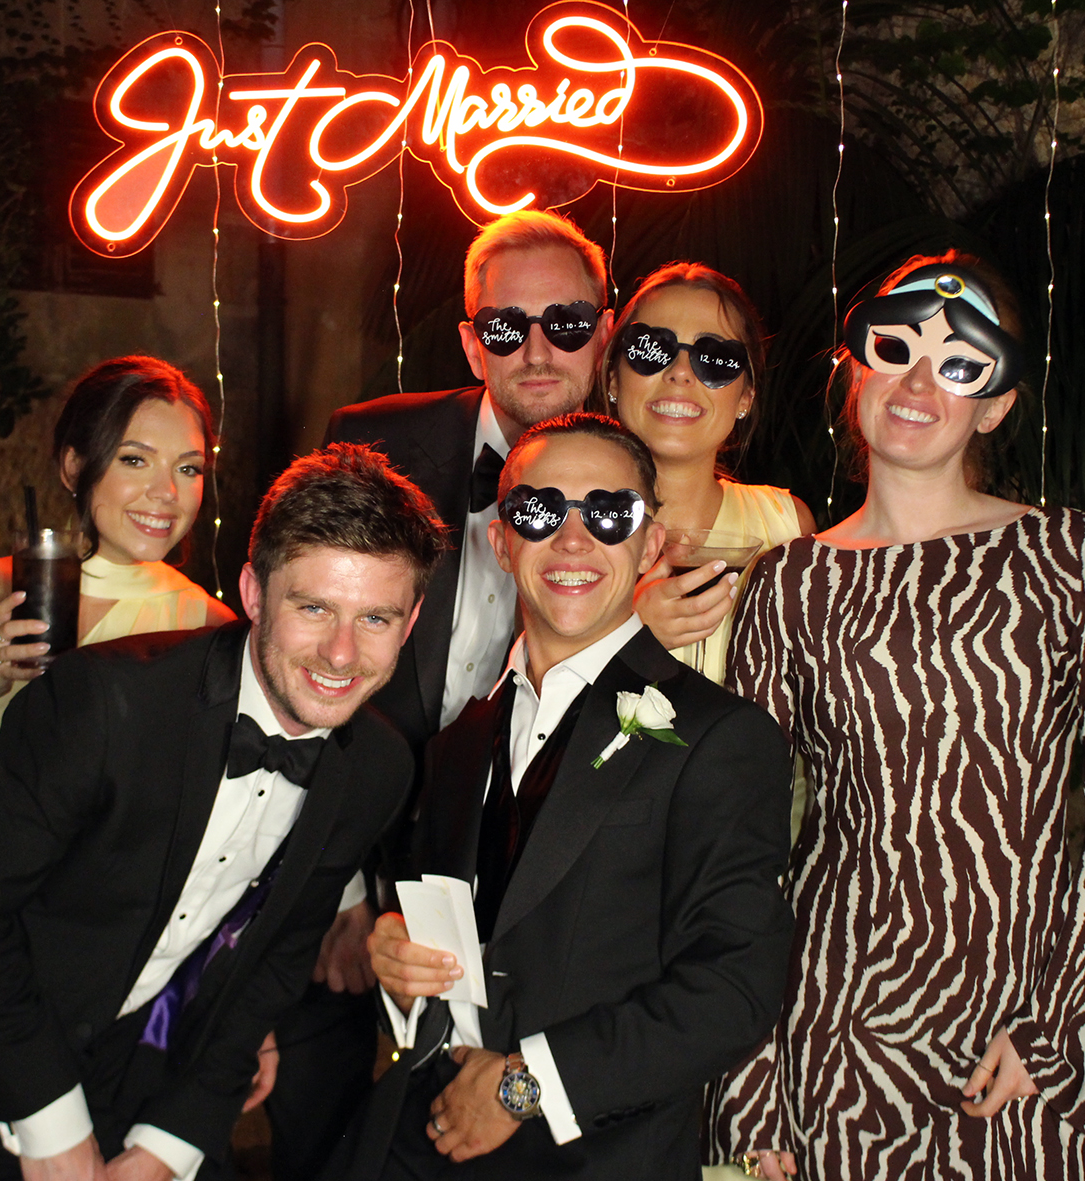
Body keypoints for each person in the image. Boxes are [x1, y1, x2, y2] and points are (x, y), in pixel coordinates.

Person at [0, 443, 447, 1181]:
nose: (341, 653)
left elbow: (273, 964)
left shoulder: (378, 767)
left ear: (411, 621)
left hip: (136, 1067)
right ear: (255, 593)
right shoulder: (103, 703)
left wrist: (171, 1139)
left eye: (376, 617)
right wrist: (53, 1125)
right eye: (313, 607)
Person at [707, 254, 1085, 1180]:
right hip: (833, 1022)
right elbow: (738, 845)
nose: (919, 384)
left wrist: (1065, 1019)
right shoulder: (791, 582)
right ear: (856, 370)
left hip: (1021, 1022)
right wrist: (752, 1082)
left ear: (995, 405)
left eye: (960, 365)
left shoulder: (1064, 555)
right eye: (896, 349)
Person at [340, 413, 794, 1181]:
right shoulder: (456, 744)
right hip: (423, 1142)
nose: (573, 538)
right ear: (501, 542)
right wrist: (399, 961)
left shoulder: (721, 737)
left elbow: (733, 989)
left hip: (601, 1159)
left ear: (650, 544)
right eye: (540, 510)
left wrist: (524, 1088)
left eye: (609, 513)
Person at [294, 209, 614, 1180]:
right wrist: (343, 887)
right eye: (507, 327)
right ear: (473, 343)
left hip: (537, 917)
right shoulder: (372, 443)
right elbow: (306, 664)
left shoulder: (637, 479)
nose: (537, 350)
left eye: (566, 322)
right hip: (357, 880)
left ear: (605, 332)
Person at [0, 355, 237, 776]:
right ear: (74, 468)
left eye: (188, 468)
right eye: (135, 460)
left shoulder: (210, 628)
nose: (167, 492)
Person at [599, 262, 814, 684]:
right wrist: (628, 640)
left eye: (714, 358)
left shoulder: (787, 527)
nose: (680, 373)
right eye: (652, 349)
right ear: (613, 378)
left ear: (745, 397)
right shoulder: (565, 526)